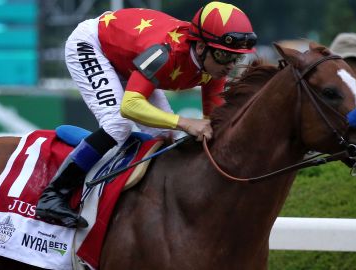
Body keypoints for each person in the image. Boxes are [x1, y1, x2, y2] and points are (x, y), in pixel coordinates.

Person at [35, 1, 257, 228]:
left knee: (165, 134)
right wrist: (184, 122)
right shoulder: (164, 51)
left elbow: (215, 124)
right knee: (117, 125)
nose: (230, 66)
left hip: (130, 60)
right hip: (93, 45)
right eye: (223, 55)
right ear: (200, 47)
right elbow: (130, 106)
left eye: (235, 57)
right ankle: (53, 195)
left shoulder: (215, 65)